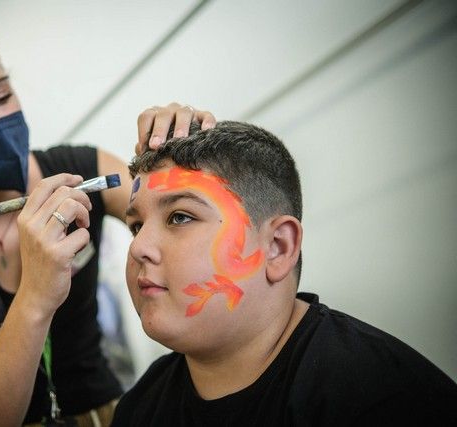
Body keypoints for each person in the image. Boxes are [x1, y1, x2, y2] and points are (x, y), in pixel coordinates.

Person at [0, 23, 216, 427]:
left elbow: (204, 210)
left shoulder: (83, 169)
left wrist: (187, 146)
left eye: (1, 96)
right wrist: (35, 294)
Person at [112, 121, 457, 426]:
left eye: (180, 217)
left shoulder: (382, 399)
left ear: (278, 247)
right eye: (136, 226)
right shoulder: (140, 408)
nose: (139, 247)